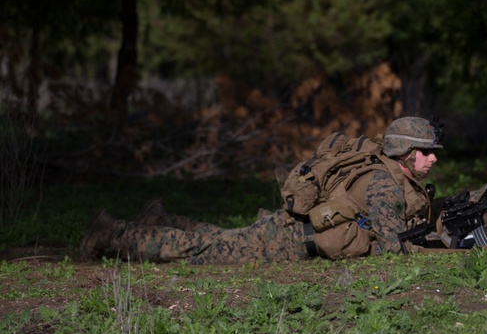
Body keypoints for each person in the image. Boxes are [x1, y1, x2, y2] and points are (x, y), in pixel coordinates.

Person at [79, 116, 443, 263]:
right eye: (425, 153)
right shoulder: (384, 185)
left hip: (287, 231)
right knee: (201, 251)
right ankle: (112, 233)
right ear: (405, 153)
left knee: (223, 238)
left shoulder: (385, 171)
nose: (432, 160)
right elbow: (394, 257)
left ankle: (159, 219)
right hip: (283, 243)